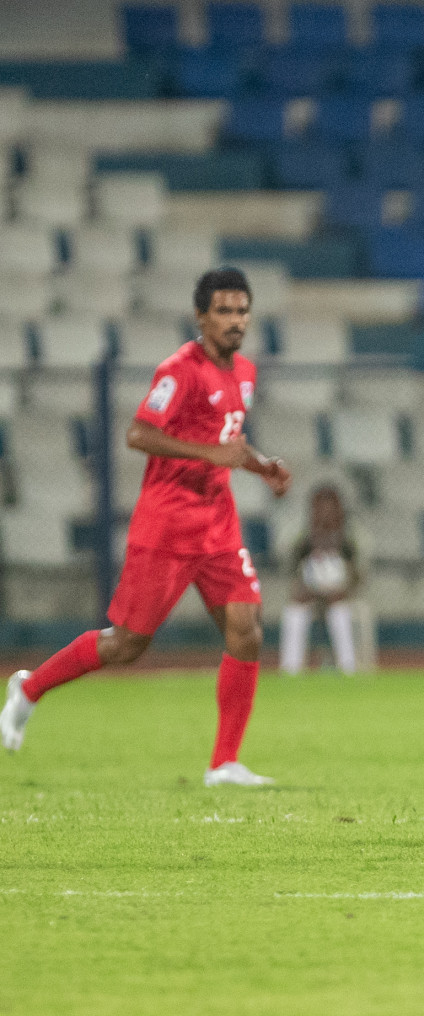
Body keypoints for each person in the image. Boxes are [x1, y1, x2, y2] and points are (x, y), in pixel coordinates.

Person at [0, 268, 293, 786]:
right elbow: (138, 434)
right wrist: (212, 454)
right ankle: (29, 688)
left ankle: (223, 763)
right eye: (224, 311)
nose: (235, 321)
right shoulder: (179, 371)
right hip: (167, 524)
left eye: (242, 310)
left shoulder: (245, 372)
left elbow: (229, 439)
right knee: (129, 645)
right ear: (200, 317)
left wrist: (261, 465)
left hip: (217, 522)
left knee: (246, 630)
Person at [280, 484, 364, 676]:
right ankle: (290, 669)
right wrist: (305, 589)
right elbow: (292, 570)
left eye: (330, 506)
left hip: (341, 593)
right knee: (295, 610)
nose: (325, 512)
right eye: (320, 506)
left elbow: (360, 574)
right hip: (309, 591)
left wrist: (344, 588)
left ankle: (347, 667)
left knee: (339, 610)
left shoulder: (350, 537)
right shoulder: (303, 537)